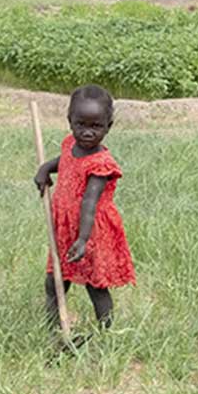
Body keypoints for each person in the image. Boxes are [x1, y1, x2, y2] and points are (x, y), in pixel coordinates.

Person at [33, 85, 135, 330]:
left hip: (90, 232)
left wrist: (83, 239)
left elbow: (89, 202)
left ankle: (105, 331)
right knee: (55, 279)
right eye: (81, 125)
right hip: (66, 228)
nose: (87, 133)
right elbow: (65, 162)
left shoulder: (101, 164)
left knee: (95, 285)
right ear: (70, 121)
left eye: (96, 126)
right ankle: (54, 325)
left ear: (108, 126)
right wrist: (46, 168)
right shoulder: (70, 145)